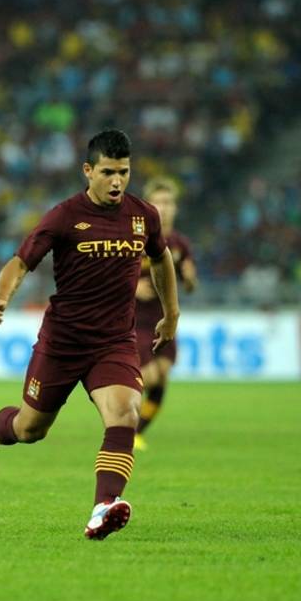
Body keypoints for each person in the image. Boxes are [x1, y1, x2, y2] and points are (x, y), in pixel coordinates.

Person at [0, 129, 180, 540]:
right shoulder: (64, 217)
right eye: (108, 172)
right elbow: (20, 263)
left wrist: (172, 313)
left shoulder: (143, 216)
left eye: (124, 172)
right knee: (30, 429)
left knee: (124, 413)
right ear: (88, 171)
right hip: (63, 342)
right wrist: (0, 298)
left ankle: (104, 507)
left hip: (113, 342)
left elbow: (161, 257)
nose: (117, 181)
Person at [132, 177, 198, 451]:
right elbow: (109, 273)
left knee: (162, 376)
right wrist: (133, 285)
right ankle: (117, 414)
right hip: (134, 321)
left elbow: (190, 285)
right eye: (158, 202)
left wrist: (190, 279)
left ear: (175, 207)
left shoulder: (180, 244)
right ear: (148, 205)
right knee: (149, 376)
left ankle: (136, 432)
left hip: (165, 320)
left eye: (169, 202)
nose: (164, 207)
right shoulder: (136, 238)